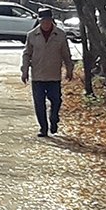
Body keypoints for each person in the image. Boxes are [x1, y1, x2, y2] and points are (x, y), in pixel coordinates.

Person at [21, 8, 74, 137]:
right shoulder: (32, 35)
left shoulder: (60, 35)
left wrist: (69, 69)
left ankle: (54, 120)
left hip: (54, 75)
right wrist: (25, 70)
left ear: (52, 21)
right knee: (39, 104)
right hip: (38, 75)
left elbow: (66, 54)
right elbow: (27, 54)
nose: (46, 23)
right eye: (43, 21)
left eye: (48, 20)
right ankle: (43, 128)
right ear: (39, 21)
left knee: (56, 100)